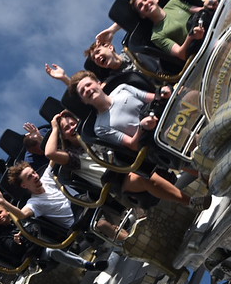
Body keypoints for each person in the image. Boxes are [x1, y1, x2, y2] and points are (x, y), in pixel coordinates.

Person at [69, 70, 208, 210]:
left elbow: (153, 98)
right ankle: (208, 163)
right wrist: (142, 127)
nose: (87, 90)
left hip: (166, 118)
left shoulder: (122, 89)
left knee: (192, 95)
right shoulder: (100, 127)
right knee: (174, 134)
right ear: (84, 100)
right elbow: (132, 145)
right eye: (83, 91)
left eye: (88, 85)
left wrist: (163, 93)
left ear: (98, 83)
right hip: (152, 141)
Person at [45, 110, 190, 209]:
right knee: (142, 177)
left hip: (131, 163)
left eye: (72, 124)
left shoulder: (93, 136)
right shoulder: (72, 157)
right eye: (66, 128)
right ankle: (190, 201)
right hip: (118, 183)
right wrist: (55, 128)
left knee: (158, 149)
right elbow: (50, 153)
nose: (72, 128)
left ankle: (200, 170)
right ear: (63, 136)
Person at [0, 197, 107, 271]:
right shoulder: (4, 235)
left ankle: (96, 237)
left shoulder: (22, 216)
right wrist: (17, 242)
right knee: (52, 251)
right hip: (40, 252)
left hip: (50, 236)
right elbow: (14, 249)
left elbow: (35, 225)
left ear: (6, 210)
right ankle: (88, 265)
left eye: (0, 212)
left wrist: (28, 230)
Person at [96, 0, 218, 60]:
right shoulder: (156, 35)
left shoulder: (173, 3)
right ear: (142, 15)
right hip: (201, 47)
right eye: (140, 6)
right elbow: (181, 53)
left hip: (212, 28)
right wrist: (191, 37)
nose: (145, 4)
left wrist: (210, 4)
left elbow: (200, 10)